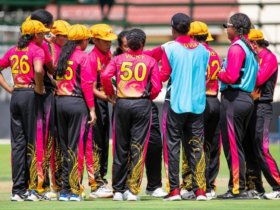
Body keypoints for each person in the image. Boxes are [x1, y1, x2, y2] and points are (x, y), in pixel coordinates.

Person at [102, 28, 162, 201]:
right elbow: (157, 87)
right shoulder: (150, 61)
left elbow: (106, 76)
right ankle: (133, 191)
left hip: (121, 103)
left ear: (128, 44)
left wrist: (111, 92)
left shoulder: (118, 59)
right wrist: (147, 97)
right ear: (142, 44)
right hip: (142, 104)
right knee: (138, 147)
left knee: (120, 146)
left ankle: (118, 190)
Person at [160, 13, 210, 201]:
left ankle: (174, 190)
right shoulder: (204, 50)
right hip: (197, 104)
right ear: (189, 29)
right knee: (197, 147)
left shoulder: (171, 49)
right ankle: (200, 190)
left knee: (173, 146)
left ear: (173, 29)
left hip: (177, 104)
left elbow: (164, 75)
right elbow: (204, 74)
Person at [0, 20, 48, 201]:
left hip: (17, 95)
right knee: (33, 143)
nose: (44, 36)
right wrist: (39, 88)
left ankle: (17, 190)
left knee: (18, 145)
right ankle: (33, 190)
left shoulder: (13, 51)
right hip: (30, 95)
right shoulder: (36, 50)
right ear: (35, 35)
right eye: (42, 33)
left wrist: (9, 88)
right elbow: (38, 69)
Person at [217, 13, 259, 200]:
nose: (227, 29)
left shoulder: (236, 47)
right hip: (246, 98)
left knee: (233, 146)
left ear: (236, 29)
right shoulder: (250, 47)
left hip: (234, 98)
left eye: (228, 26)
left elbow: (231, 77)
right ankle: (238, 185)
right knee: (237, 146)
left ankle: (237, 189)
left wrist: (218, 72)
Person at [55, 24, 97, 202]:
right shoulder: (83, 57)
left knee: (65, 148)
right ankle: (74, 190)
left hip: (60, 102)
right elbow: (87, 85)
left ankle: (64, 190)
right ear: (84, 40)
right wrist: (92, 109)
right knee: (76, 147)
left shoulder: (62, 56)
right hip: (77, 103)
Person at [180, 21, 221, 200]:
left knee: (192, 144)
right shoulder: (215, 54)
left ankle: (190, 186)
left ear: (193, 36)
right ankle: (210, 186)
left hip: (198, 101)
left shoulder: (193, 53)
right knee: (212, 146)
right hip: (214, 100)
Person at [244, 29, 280, 200]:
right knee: (250, 148)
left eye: (248, 43)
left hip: (263, 106)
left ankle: (278, 186)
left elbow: (257, 79)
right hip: (253, 106)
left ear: (254, 43)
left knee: (262, 149)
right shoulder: (257, 58)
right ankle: (256, 187)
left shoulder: (269, 57)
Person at [85, 24, 117, 199]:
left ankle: (102, 181)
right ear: (95, 40)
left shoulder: (108, 54)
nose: (109, 44)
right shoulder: (92, 58)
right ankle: (95, 184)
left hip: (104, 102)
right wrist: (109, 98)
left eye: (110, 40)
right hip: (94, 103)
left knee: (104, 142)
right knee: (95, 144)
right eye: (105, 41)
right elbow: (91, 88)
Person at [29, 9, 56, 196]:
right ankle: (41, 187)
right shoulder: (42, 45)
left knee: (28, 141)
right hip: (43, 94)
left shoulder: (23, 45)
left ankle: (25, 186)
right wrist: (51, 45)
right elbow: (51, 68)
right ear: (45, 26)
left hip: (25, 94)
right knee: (43, 140)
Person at [49, 19, 71, 200]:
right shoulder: (52, 50)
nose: (68, 39)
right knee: (55, 144)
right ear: (56, 36)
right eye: (65, 37)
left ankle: (65, 181)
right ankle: (57, 183)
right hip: (53, 100)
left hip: (64, 99)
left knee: (66, 143)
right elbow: (52, 73)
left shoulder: (67, 51)